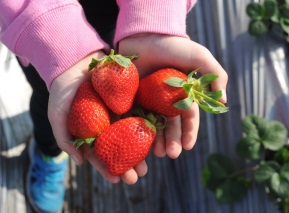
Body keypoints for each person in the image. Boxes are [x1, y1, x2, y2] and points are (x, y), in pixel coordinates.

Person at [0, 0, 228, 212]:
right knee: (49, 97)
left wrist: (152, 18)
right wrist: (58, 41)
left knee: (108, 40)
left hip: (112, 8)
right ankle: (49, 152)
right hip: (36, 25)